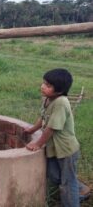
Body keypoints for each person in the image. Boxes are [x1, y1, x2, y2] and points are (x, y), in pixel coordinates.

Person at [24, 68, 90, 206]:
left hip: (66, 150)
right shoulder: (47, 99)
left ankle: (72, 202)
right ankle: (81, 189)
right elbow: (42, 118)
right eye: (44, 83)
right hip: (54, 149)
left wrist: (37, 143)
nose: (43, 86)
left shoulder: (61, 102)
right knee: (54, 175)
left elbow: (51, 128)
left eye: (48, 85)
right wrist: (32, 130)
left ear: (59, 91)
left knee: (67, 182)